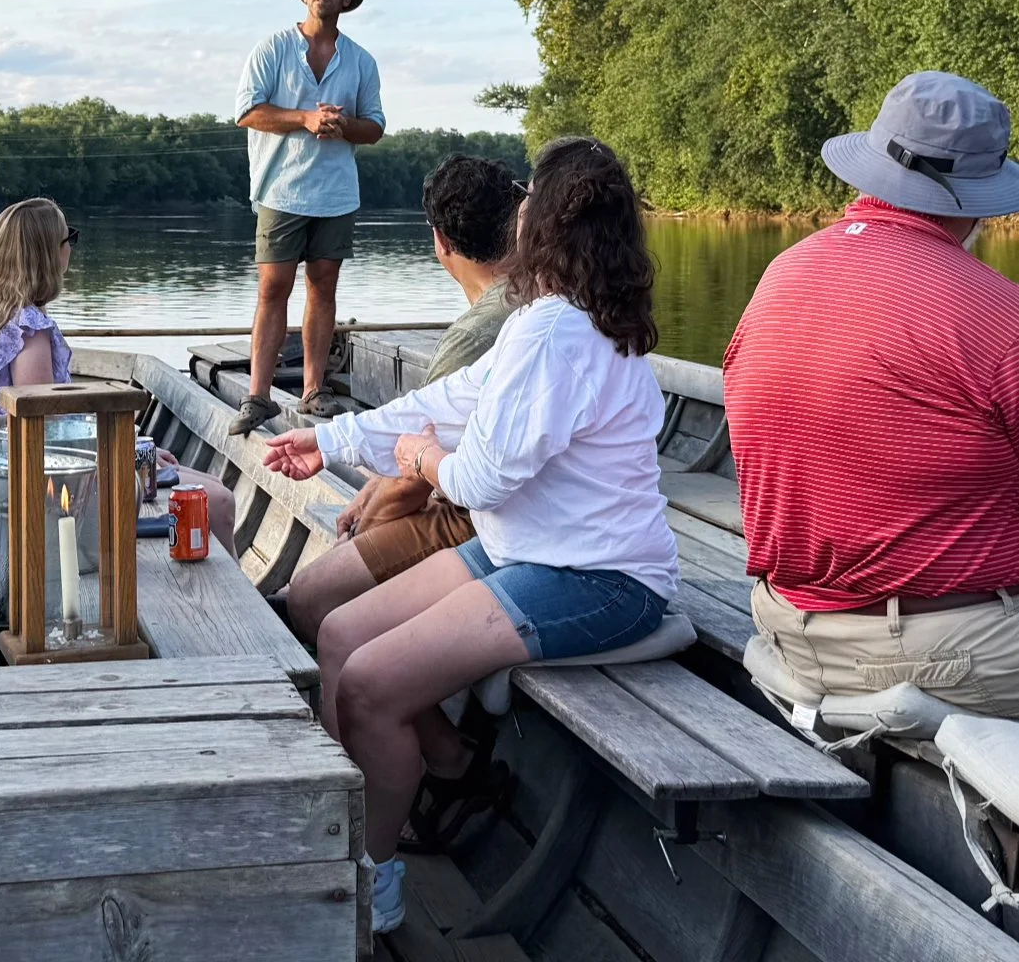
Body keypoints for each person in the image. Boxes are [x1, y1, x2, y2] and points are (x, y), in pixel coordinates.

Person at [260, 137, 678, 936]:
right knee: (342, 633)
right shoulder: (560, 319)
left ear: (539, 223)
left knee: (373, 687)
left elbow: (479, 478)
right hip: (529, 549)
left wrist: (419, 459)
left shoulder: (555, 333)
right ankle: (339, 834)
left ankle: (370, 882)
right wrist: (335, 440)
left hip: (597, 580)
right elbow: (452, 400)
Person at [725, 71, 1019, 717]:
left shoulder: (781, 273)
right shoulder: (999, 315)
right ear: (973, 199)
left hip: (788, 629)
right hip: (943, 655)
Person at [280, 156, 522, 639]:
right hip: (483, 496)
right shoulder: (532, 297)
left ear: (441, 242)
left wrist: (364, 534)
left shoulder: (479, 333)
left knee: (311, 596)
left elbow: (417, 468)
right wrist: (372, 487)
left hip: (475, 519)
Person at [0, 197, 239, 553]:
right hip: (39, 483)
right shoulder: (29, 329)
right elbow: (46, 434)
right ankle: (235, 606)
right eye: (67, 239)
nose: (70, 249)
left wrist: (137, 448)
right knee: (219, 500)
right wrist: (127, 451)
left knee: (207, 483)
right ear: (48, 254)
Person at [230, 0, 386, 435]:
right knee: (272, 289)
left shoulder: (361, 61)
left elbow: (375, 128)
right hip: (281, 191)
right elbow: (248, 113)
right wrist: (305, 117)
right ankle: (258, 397)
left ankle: (313, 391)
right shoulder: (272, 49)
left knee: (323, 290)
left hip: (335, 196)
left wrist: (342, 126)